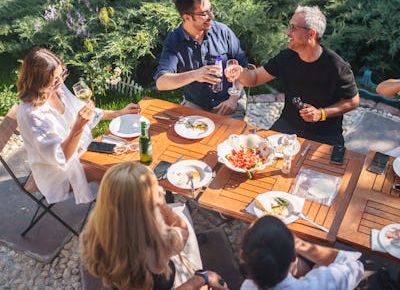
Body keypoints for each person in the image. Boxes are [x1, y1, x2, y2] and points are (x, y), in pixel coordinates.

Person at [16, 47, 141, 205]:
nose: (61, 82)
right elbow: (61, 157)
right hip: (57, 170)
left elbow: (81, 109)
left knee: (125, 154)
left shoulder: (57, 88)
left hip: (81, 149)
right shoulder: (32, 114)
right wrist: (78, 126)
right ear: (38, 81)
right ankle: (125, 215)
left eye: (62, 74)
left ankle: (125, 207)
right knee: (114, 173)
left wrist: (118, 113)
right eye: (55, 79)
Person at [80, 161, 228, 290]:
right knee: (182, 214)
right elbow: (184, 232)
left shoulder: (91, 235)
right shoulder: (159, 244)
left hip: (119, 282)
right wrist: (202, 278)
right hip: (163, 284)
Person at [239, 5, 359, 146]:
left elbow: (353, 102)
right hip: (287, 126)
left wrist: (321, 114)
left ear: (311, 34)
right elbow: (254, 78)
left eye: (293, 28)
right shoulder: (286, 58)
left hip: (326, 135)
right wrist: (238, 72)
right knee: (260, 156)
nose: (287, 32)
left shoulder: (337, 66)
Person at [154, 0, 248, 119]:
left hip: (229, 101)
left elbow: (243, 66)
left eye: (211, 10)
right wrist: (194, 75)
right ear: (187, 17)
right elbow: (161, 83)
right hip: (196, 105)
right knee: (187, 137)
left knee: (231, 138)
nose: (211, 16)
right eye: (204, 13)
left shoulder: (223, 32)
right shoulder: (174, 41)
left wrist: (234, 97)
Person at [240, 215, 364, 290]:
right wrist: (301, 244)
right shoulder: (321, 284)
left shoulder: (246, 287)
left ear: (242, 256)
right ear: (294, 257)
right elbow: (355, 266)